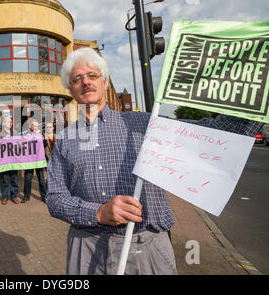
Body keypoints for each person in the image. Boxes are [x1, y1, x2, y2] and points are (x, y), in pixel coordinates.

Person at [46, 47, 262, 275]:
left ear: (105, 82)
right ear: (70, 89)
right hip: (87, 249)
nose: (86, 82)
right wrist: (98, 213)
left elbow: (218, 133)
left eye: (92, 75)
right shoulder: (64, 140)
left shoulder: (145, 124)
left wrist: (258, 94)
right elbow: (55, 199)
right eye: (77, 78)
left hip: (146, 248)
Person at [0, 116, 19, 205]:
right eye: (8, 122)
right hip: (3, 161)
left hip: (13, 160)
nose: (10, 123)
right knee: (4, 179)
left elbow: (19, 145)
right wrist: (3, 140)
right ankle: (5, 197)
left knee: (14, 178)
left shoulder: (15, 133)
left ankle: (14, 196)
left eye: (11, 122)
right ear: (3, 123)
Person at [22, 119, 46, 203]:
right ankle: (26, 196)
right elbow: (22, 146)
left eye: (37, 126)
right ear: (30, 127)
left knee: (41, 179)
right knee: (28, 179)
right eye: (34, 126)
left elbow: (45, 145)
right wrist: (26, 138)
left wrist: (43, 139)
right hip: (29, 161)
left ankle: (44, 197)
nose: (36, 127)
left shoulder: (40, 134)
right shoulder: (26, 134)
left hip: (39, 160)